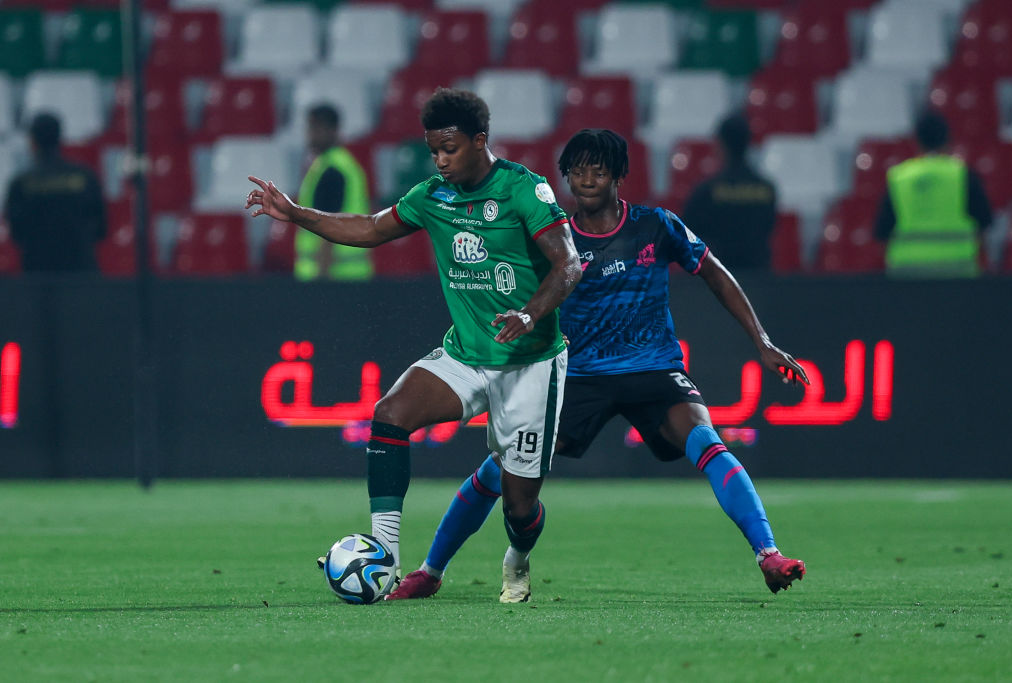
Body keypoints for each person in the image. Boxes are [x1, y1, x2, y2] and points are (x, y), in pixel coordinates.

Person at [388, 129, 807, 603]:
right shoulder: (551, 237)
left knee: (708, 441)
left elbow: (714, 271)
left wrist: (762, 340)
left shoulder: (655, 226)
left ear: (618, 176)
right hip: (577, 377)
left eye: (598, 169)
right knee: (501, 469)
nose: (587, 179)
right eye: (577, 170)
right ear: (566, 177)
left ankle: (768, 553)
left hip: (653, 371)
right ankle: (431, 570)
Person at [247, 88, 582, 602]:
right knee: (389, 414)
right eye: (434, 151)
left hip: (530, 362)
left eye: (450, 148)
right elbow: (369, 228)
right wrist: (296, 214)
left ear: (479, 141)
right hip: (467, 354)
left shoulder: (523, 190)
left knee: (519, 508)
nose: (441, 160)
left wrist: (528, 312)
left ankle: (517, 558)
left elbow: (569, 266)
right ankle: (385, 556)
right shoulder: (432, 196)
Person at [874, 109, 992, 277]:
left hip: (908, 272)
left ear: (917, 141)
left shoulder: (898, 177)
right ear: (947, 140)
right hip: (957, 270)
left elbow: (882, 232)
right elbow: (984, 223)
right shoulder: (963, 175)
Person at [4, 112, 106, 272]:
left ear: (32, 141)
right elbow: (101, 228)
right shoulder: (85, 176)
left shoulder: (21, 183)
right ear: (60, 138)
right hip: (80, 272)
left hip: (38, 275)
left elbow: (16, 233)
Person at [681, 112, 776, 272]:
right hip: (759, 280)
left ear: (721, 145)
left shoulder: (707, 191)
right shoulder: (767, 190)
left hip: (720, 281)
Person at [294, 103, 373, 281]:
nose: (311, 134)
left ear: (333, 130)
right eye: (310, 127)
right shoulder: (344, 164)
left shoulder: (332, 170)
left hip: (333, 278)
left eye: (317, 127)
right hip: (352, 277)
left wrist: (321, 281)